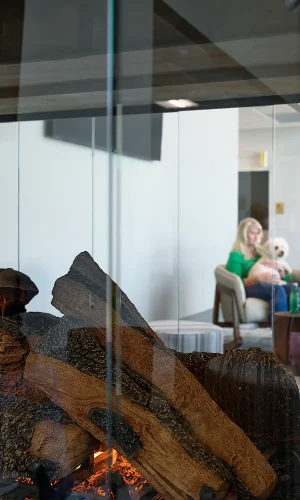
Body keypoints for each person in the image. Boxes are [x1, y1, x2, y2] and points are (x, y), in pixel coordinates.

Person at [226, 217, 291, 324]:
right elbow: (236, 283)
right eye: (252, 233)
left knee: (293, 289)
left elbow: (286, 277)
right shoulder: (236, 256)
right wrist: (258, 278)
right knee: (277, 290)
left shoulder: (262, 251)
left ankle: (294, 329)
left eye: (258, 233)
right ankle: (278, 330)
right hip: (248, 287)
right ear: (243, 235)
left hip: (268, 284)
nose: (256, 237)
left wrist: (278, 268)